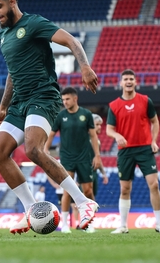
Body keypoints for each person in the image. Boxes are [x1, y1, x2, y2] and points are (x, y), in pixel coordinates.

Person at [0, 0, 99, 234]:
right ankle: (30, 209)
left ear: (12, 1)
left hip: (43, 96)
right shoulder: (3, 35)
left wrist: (85, 67)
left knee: (33, 149)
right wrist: (3, 107)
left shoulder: (34, 24)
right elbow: (12, 74)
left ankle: (84, 202)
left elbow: (70, 40)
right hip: (19, 103)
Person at [107, 69, 160, 234]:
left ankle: (159, 223)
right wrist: (117, 135)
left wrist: (154, 141)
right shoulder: (114, 105)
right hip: (125, 151)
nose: (128, 81)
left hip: (145, 149)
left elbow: (155, 122)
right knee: (125, 188)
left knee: (154, 184)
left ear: (135, 82)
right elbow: (109, 129)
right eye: (125, 79)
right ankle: (123, 225)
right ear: (121, 83)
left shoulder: (145, 101)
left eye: (131, 79)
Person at [44, 87, 102, 234]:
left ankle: (89, 223)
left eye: (67, 99)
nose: (65, 102)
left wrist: (97, 155)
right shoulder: (60, 116)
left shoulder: (86, 114)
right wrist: (45, 151)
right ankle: (65, 224)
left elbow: (93, 136)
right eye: (63, 100)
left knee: (88, 191)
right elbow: (51, 134)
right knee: (67, 191)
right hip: (67, 158)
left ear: (75, 98)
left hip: (84, 157)